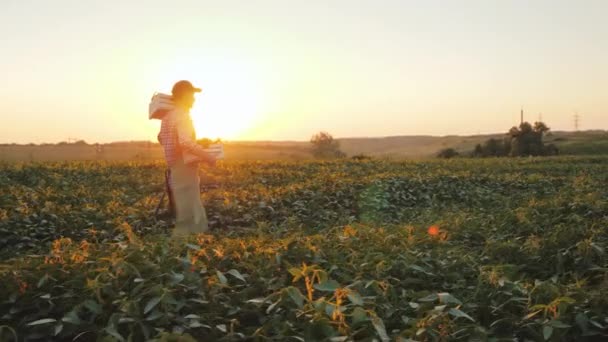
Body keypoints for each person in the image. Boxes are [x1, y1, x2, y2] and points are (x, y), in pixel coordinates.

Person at [153, 80, 216, 237]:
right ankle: (192, 246)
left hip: (175, 165)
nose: (194, 99)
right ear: (183, 96)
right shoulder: (183, 116)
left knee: (186, 207)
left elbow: (162, 138)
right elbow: (185, 142)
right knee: (191, 208)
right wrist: (207, 156)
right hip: (184, 165)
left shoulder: (168, 117)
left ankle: (190, 245)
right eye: (192, 95)